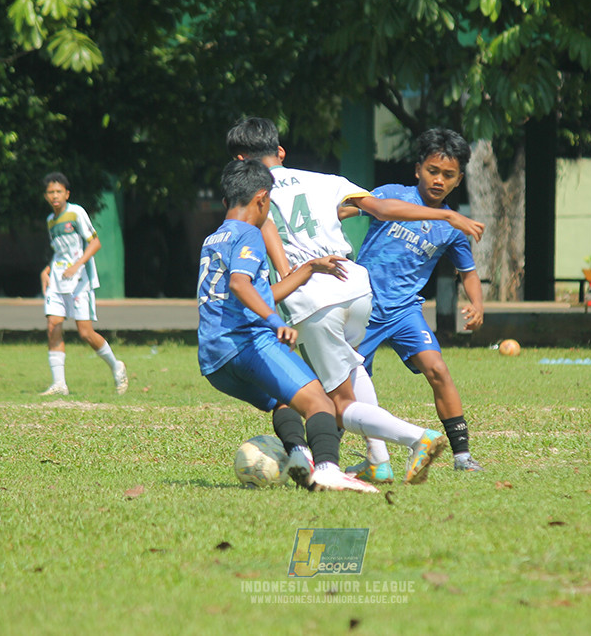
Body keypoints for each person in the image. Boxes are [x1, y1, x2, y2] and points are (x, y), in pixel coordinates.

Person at [227, 117, 485, 485]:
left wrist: (285, 277)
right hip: (356, 288)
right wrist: (444, 213)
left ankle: (418, 439)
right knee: (354, 369)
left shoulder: (256, 194)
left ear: (241, 161)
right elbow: (379, 208)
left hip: (315, 299)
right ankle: (378, 462)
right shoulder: (326, 181)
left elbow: (267, 232)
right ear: (280, 152)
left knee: (334, 402)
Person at [197, 158, 377, 493]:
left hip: (213, 359)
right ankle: (327, 470)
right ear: (263, 200)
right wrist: (274, 320)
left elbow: (256, 290)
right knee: (320, 402)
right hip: (247, 344)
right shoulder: (249, 234)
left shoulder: (214, 238)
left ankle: (297, 454)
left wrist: (308, 269)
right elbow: (240, 284)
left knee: (285, 400)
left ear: (226, 201)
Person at [354, 128, 485, 475]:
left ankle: (462, 457)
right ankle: (368, 458)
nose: (439, 180)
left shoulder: (453, 228)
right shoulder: (392, 195)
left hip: (404, 312)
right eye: (432, 171)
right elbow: (360, 210)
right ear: (417, 170)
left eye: (448, 175)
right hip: (362, 308)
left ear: (458, 180)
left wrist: (477, 304)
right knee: (350, 387)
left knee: (438, 370)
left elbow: (468, 273)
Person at [38, 172, 127, 396]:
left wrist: (77, 265)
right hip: (58, 281)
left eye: (59, 191)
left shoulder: (76, 213)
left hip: (79, 281)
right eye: (51, 192)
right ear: (46, 196)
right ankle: (59, 384)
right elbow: (59, 252)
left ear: (67, 194)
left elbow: (95, 243)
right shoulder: (50, 220)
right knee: (53, 326)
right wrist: (47, 270)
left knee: (85, 333)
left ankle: (116, 366)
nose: (55, 196)